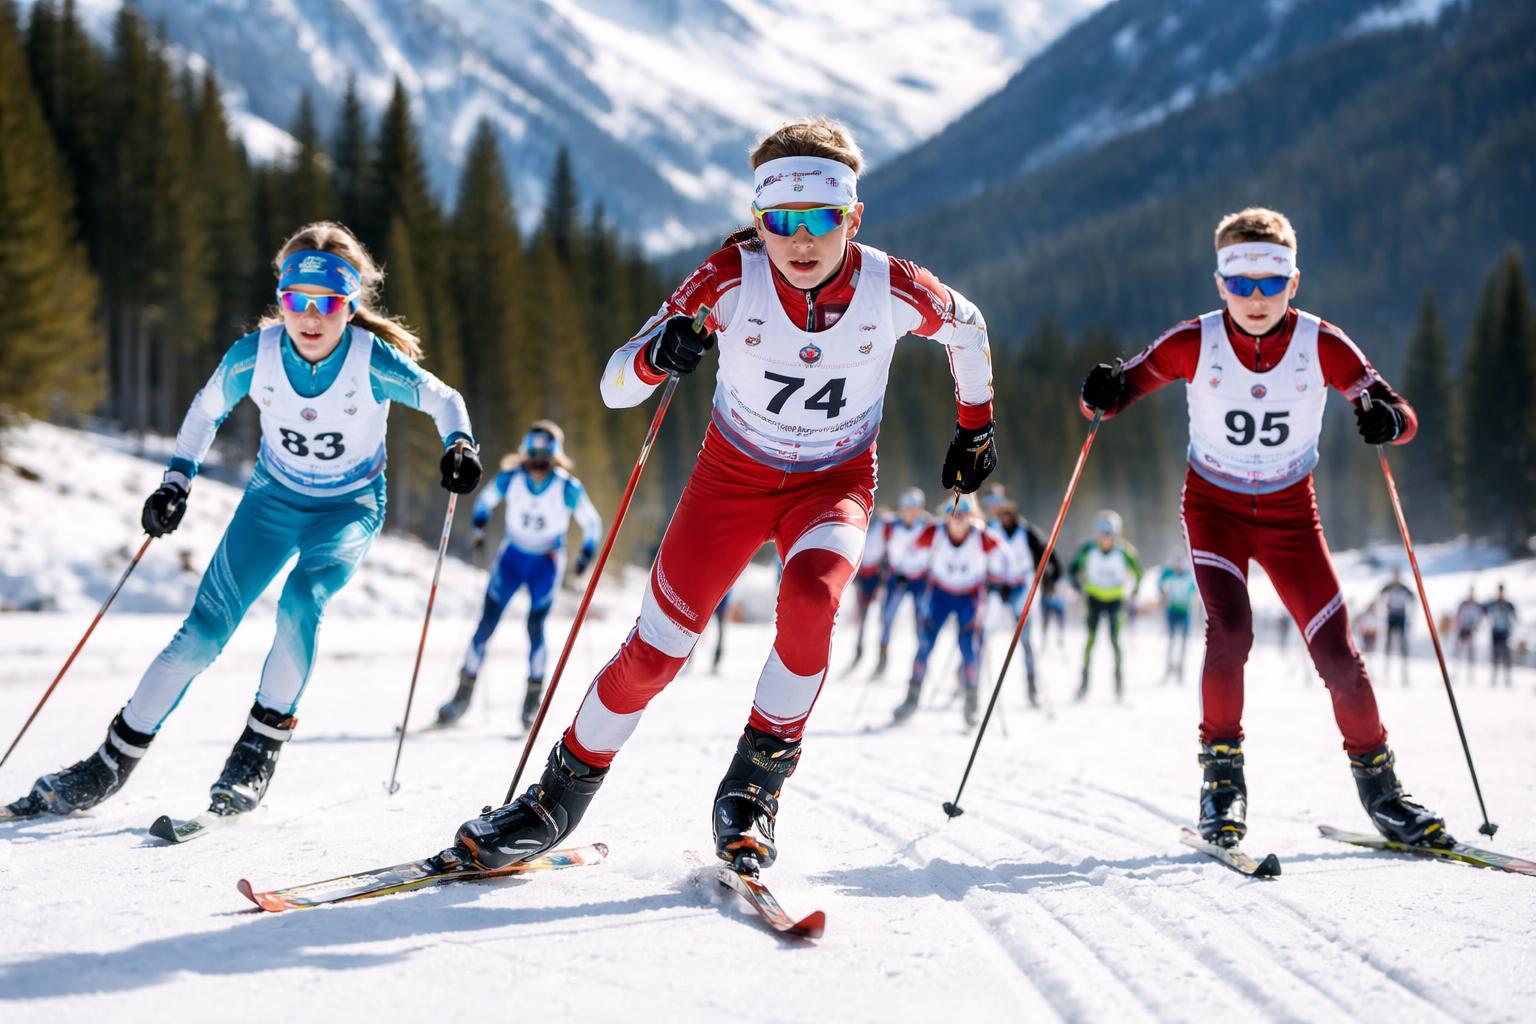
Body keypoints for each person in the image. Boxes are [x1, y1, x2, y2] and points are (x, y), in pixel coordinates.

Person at [449, 117, 996, 876]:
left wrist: (975, 428)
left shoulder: (893, 285)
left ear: (853, 217)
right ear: (757, 220)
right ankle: (553, 800)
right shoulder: (729, 277)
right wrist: (656, 353)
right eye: (780, 221)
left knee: (811, 600)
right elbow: (614, 386)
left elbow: (968, 330)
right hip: (729, 482)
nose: (801, 240)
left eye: (821, 220)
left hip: (834, 483)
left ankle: (751, 791)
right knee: (656, 654)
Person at [5, 222, 480, 819]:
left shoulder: (370, 359)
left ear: (350, 305)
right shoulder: (253, 357)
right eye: (295, 301)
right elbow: (204, 415)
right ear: (280, 301)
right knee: (202, 631)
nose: (310, 316)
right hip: (271, 503)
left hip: (347, 509)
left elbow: (444, 400)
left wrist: (460, 445)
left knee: (301, 599)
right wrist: (175, 482)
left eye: (327, 303)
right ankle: (109, 762)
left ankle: (258, 749)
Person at [1077, 206, 1450, 848]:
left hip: (1289, 517)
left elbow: (1402, 412)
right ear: (1220, 282)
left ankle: (1383, 793)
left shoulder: (1323, 345)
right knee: (1230, 632)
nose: (1255, 298)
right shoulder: (1194, 342)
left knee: (1337, 654)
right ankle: (1222, 785)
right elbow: (1111, 398)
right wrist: (1099, 392)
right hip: (1214, 510)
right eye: (1240, 282)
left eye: (1270, 282)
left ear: (1293, 282)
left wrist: (1391, 421)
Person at [437, 421, 601, 730]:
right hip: (511, 558)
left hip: (546, 562)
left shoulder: (566, 487)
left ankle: (530, 704)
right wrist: (479, 530)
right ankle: (461, 697)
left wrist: (586, 555)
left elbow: (592, 523)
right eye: (532, 455)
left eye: (544, 457)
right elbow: (484, 503)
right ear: (524, 454)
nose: (537, 464)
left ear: (555, 457)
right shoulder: (510, 479)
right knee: (486, 625)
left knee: (535, 628)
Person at [891, 494, 1009, 727]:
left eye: (963, 516)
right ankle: (911, 699)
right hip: (940, 595)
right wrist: (904, 572)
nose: (957, 520)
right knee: (924, 645)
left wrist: (1000, 582)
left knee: (969, 649)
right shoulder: (934, 532)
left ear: (970, 517)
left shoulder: (981, 535)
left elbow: (1004, 556)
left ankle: (971, 705)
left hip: (969, 596)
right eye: (953, 515)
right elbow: (908, 550)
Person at [990, 500, 1062, 706]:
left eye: (1007, 516)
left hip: (1020, 588)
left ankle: (1032, 686)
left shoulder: (1025, 531)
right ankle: (967, 681)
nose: (1004, 520)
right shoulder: (991, 530)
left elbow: (1047, 552)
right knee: (982, 633)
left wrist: (1051, 577)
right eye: (1001, 516)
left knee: (1025, 639)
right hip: (996, 587)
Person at [1068, 510, 1142, 701]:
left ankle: (1119, 685)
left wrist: (1134, 590)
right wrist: (1076, 584)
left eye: (1109, 533)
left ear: (1116, 533)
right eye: (1102, 532)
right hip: (1094, 599)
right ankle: (1084, 684)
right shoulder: (1088, 549)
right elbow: (1073, 568)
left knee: (1115, 641)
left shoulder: (1125, 551)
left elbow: (1139, 572)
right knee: (1090, 641)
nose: (1105, 537)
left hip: (1115, 601)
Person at [873, 487, 932, 676]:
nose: (910, 513)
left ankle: (922, 662)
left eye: (914, 508)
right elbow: (881, 549)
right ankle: (882, 659)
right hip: (896, 578)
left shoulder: (927, 525)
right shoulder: (891, 524)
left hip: (919, 579)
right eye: (907, 508)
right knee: (887, 618)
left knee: (921, 622)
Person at [846, 507, 890, 668]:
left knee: (884, 618)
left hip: (878, 576)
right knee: (862, 617)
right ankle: (858, 650)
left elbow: (887, 550)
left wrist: (884, 575)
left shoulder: (884, 525)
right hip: (863, 576)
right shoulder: (857, 523)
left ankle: (882, 654)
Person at [1159, 555, 1198, 683]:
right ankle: (1168, 668)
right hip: (1172, 611)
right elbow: (1161, 584)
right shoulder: (1170, 575)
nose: (1179, 568)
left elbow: (1196, 592)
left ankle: (1181, 669)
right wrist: (1163, 594)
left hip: (1185, 611)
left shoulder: (1189, 577)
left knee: (1183, 642)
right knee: (1172, 640)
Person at [1378, 570, 1413, 683]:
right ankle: (1386, 672)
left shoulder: (1404, 588)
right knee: (1388, 644)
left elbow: (1413, 597)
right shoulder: (1389, 586)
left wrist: (1411, 614)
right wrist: (1384, 606)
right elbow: (1380, 594)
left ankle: (1405, 674)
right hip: (1392, 616)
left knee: (1403, 644)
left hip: (1401, 616)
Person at [1486, 584, 1517, 687]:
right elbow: (1485, 612)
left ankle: (1507, 679)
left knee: (1506, 656)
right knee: (1495, 656)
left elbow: (1515, 617)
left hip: (1505, 633)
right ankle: (1494, 678)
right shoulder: (1493, 604)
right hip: (1495, 633)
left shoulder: (1509, 605)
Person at [1453, 587, 1484, 669]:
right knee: (1458, 651)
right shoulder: (1463, 605)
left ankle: (1470, 672)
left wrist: (1474, 628)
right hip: (1462, 630)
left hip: (1471, 631)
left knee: (1470, 653)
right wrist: (1458, 628)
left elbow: (1478, 619)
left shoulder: (1477, 606)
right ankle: (1456, 669)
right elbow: (1458, 616)